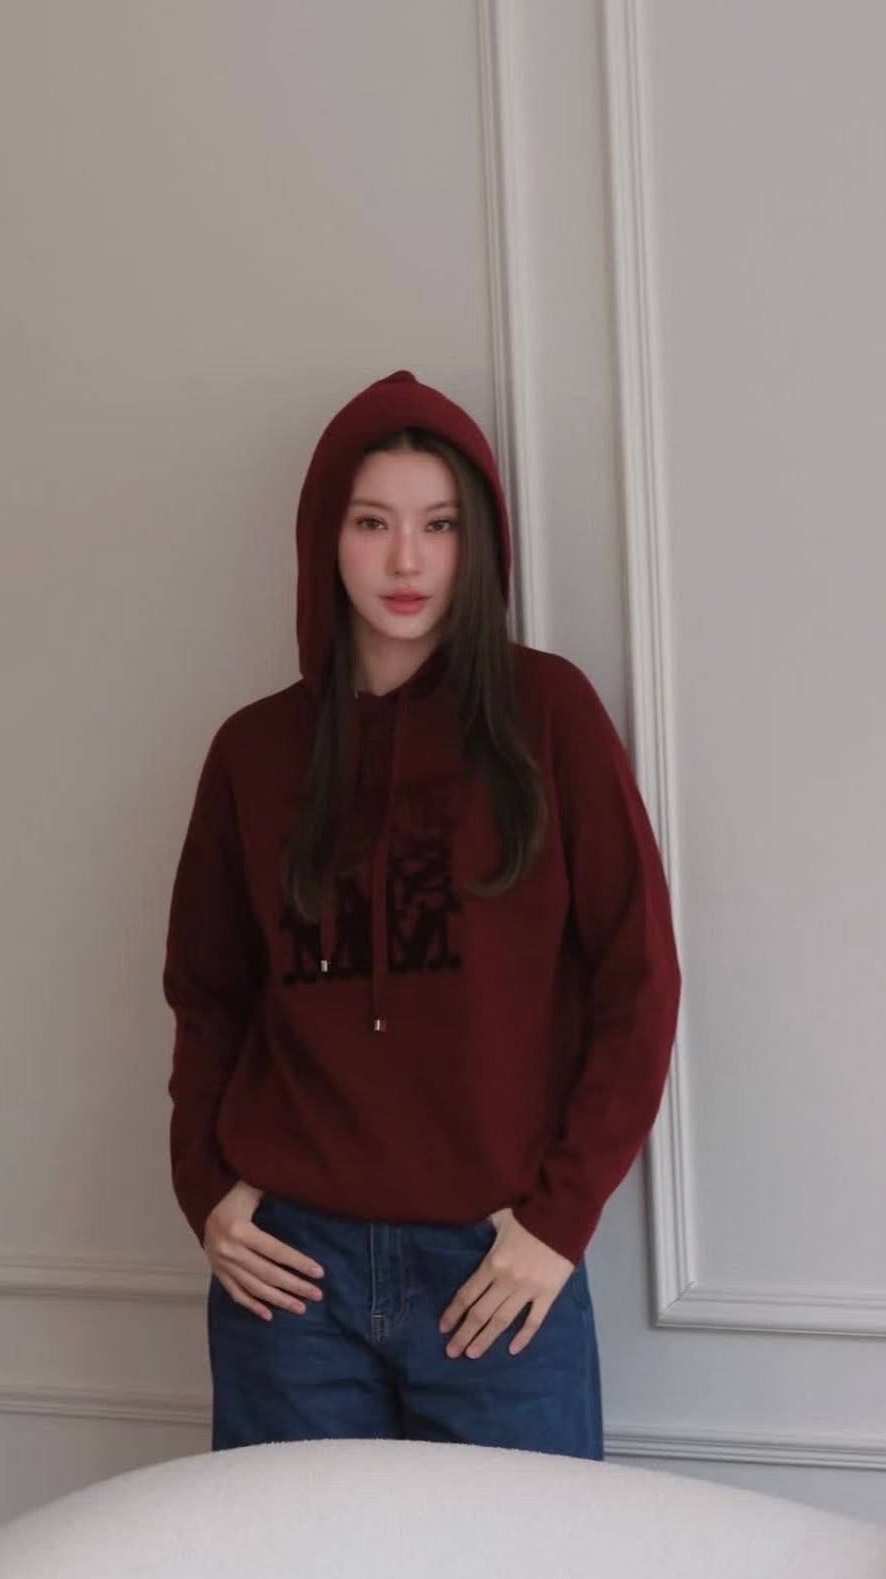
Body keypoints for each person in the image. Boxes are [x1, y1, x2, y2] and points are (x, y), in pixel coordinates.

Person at [162, 368, 681, 1459]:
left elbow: (638, 982)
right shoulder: (254, 752)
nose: (406, 561)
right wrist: (207, 1191)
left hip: (494, 1275)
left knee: (523, 1572)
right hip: (290, 1280)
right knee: (297, 1573)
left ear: (476, 544)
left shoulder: (548, 716)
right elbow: (208, 995)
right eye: (372, 523)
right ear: (324, 538)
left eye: (438, 525)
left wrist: (557, 1224)